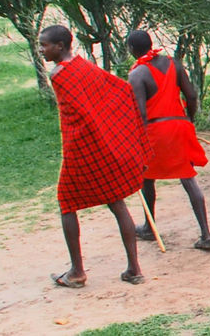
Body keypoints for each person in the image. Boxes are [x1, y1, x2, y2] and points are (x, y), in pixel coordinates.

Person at [38, 24, 151, 288]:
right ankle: (134, 269)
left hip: (82, 149)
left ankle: (77, 272)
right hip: (105, 147)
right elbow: (119, 90)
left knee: (66, 203)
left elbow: (76, 114)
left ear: (61, 46)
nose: (41, 50)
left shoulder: (59, 74)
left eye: (44, 45)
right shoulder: (85, 66)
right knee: (117, 202)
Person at [126, 30, 210, 251]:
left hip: (155, 130)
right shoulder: (173, 64)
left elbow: (140, 113)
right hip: (179, 126)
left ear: (131, 49)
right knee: (188, 178)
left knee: (147, 178)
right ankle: (206, 234)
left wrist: (135, 140)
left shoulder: (137, 74)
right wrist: (189, 120)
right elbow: (191, 96)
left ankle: (149, 226)